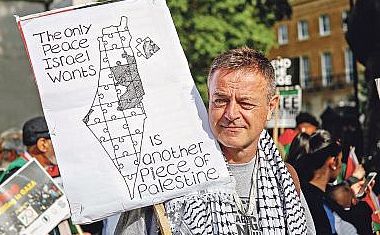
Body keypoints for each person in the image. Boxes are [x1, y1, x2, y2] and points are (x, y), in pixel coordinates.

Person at [115, 47, 312, 234]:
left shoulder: (284, 180)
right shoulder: (166, 177)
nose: (231, 113)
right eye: (221, 100)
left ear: (271, 106)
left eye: (245, 103)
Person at [346, 0, 380, 162]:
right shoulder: (369, 0)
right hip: (376, 60)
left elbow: (353, 35)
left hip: (376, 60)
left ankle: (371, 154)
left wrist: (368, 58)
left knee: (375, 109)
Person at [300, 129, 344, 235]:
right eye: (341, 160)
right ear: (333, 162)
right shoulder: (316, 202)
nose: (341, 165)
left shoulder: (304, 191)